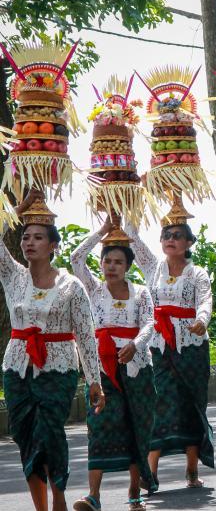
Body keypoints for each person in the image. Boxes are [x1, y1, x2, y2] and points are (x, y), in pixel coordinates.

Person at [1, 191, 104, 511]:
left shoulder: (71, 285)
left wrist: (94, 381)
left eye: (38, 237)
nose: (29, 242)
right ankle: (41, 507)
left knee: (48, 432)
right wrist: (17, 209)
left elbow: (86, 335)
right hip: (17, 366)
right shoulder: (12, 275)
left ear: (53, 245)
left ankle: (58, 493)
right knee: (25, 436)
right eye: (26, 236)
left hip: (58, 367)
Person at [125, 202, 213, 490]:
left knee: (190, 405)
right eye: (166, 235)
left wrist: (202, 319)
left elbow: (205, 299)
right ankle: (151, 473)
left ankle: (191, 470)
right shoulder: (152, 266)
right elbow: (131, 235)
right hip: (159, 347)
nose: (170, 240)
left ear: (188, 242)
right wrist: (134, 199)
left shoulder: (197, 272)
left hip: (191, 346)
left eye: (177, 235)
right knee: (157, 404)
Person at [70, 220, 157, 511]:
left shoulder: (142, 292)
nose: (111, 266)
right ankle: (93, 495)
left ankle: (134, 495)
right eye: (107, 260)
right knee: (99, 426)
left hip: (135, 369)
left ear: (128, 266)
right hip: (101, 371)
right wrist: (102, 230)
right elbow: (75, 258)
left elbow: (149, 324)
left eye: (118, 261)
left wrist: (136, 345)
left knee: (135, 428)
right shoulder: (93, 289)